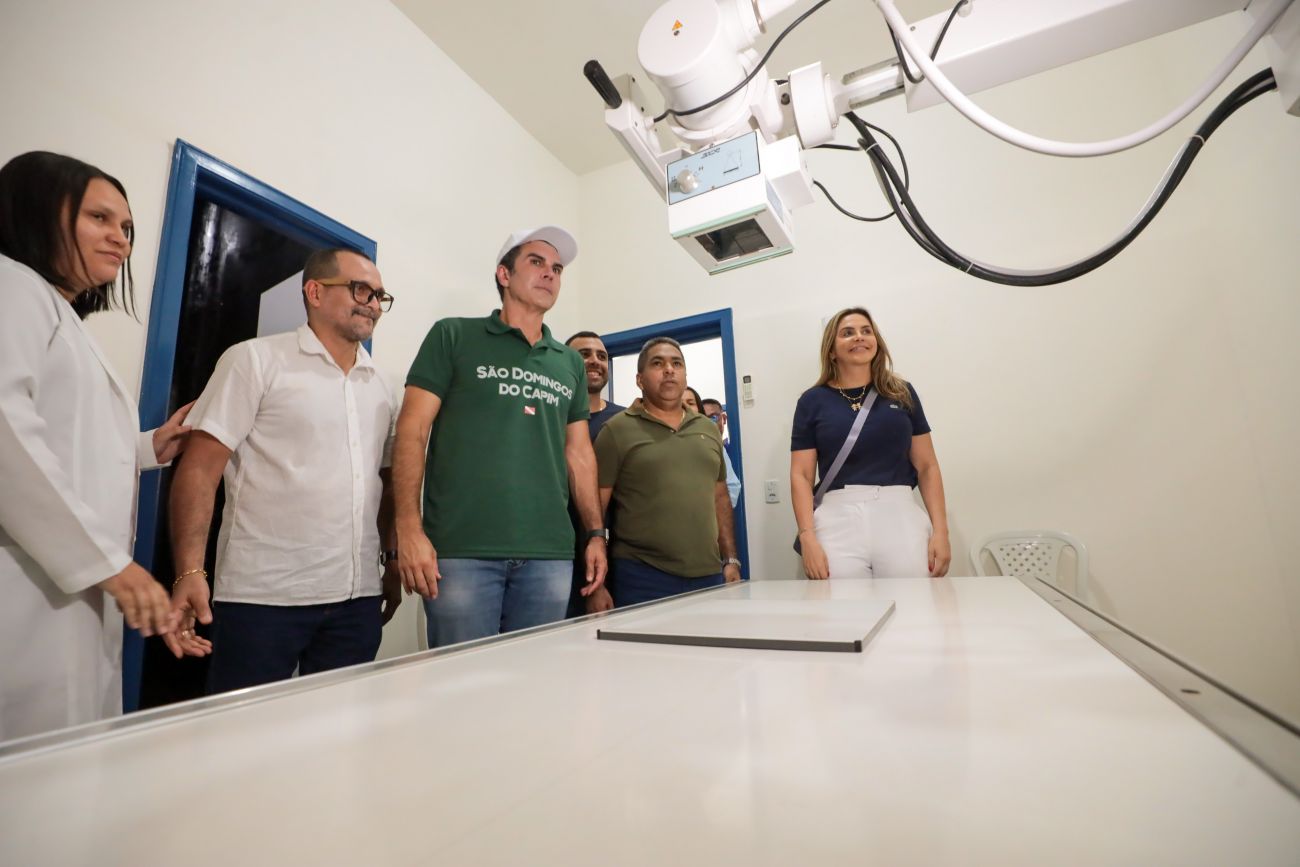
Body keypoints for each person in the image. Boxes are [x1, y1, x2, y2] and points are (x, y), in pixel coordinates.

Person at [0, 151, 190, 739]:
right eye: (100, 218)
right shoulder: (12, 285)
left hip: (64, 583)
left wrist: (148, 448)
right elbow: (8, 433)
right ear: (38, 213)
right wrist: (111, 565)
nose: (121, 239)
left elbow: (66, 436)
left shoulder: (58, 315)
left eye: (127, 227)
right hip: (27, 582)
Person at [167, 248, 400, 693]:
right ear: (315, 291)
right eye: (360, 290)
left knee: (340, 726)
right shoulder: (254, 361)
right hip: (263, 598)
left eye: (379, 296)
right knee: (243, 727)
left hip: (356, 600)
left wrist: (391, 562)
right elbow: (199, 470)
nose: (373, 303)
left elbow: (387, 484)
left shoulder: (382, 385)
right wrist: (190, 572)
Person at [394, 227, 606, 647]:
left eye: (557, 268)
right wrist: (408, 528)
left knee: (534, 679)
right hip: (461, 551)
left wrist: (596, 534)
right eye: (536, 262)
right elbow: (412, 432)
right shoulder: (453, 336)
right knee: (462, 679)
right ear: (504, 275)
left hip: (549, 555)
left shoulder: (569, 363)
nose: (549, 273)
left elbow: (579, 454)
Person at [789, 307, 950, 580]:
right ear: (831, 350)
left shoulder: (902, 392)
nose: (859, 337)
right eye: (847, 333)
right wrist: (807, 536)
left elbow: (927, 466)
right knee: (840, 604)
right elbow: (801, 475)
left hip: (899, 512)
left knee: (914, 601)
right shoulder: (812, 401)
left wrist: (941, 531)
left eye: (866, 331)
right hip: (837, 517)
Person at [591, 338, 741, 609]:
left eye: (676, 363)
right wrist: (596, 584)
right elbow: (595, 508)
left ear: (685, 376)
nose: (669, 370)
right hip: (642, 577)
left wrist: (730, 559)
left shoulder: (707, 429)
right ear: (640, 379)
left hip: (708, 574)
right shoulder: (616, 430)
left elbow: (720, 498)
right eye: (658, 363)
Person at [564, 331, 623, 617]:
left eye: (601, 356)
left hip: (618, 555)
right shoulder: (550, 419)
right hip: (561, 554)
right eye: (584, 354)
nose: (595, 361)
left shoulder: (624, 421)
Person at [699, 395, 742, 508]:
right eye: (703, 418)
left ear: (724, 418)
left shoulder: (727, 448)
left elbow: (733, 487)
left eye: (713, 417)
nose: (709, 423)